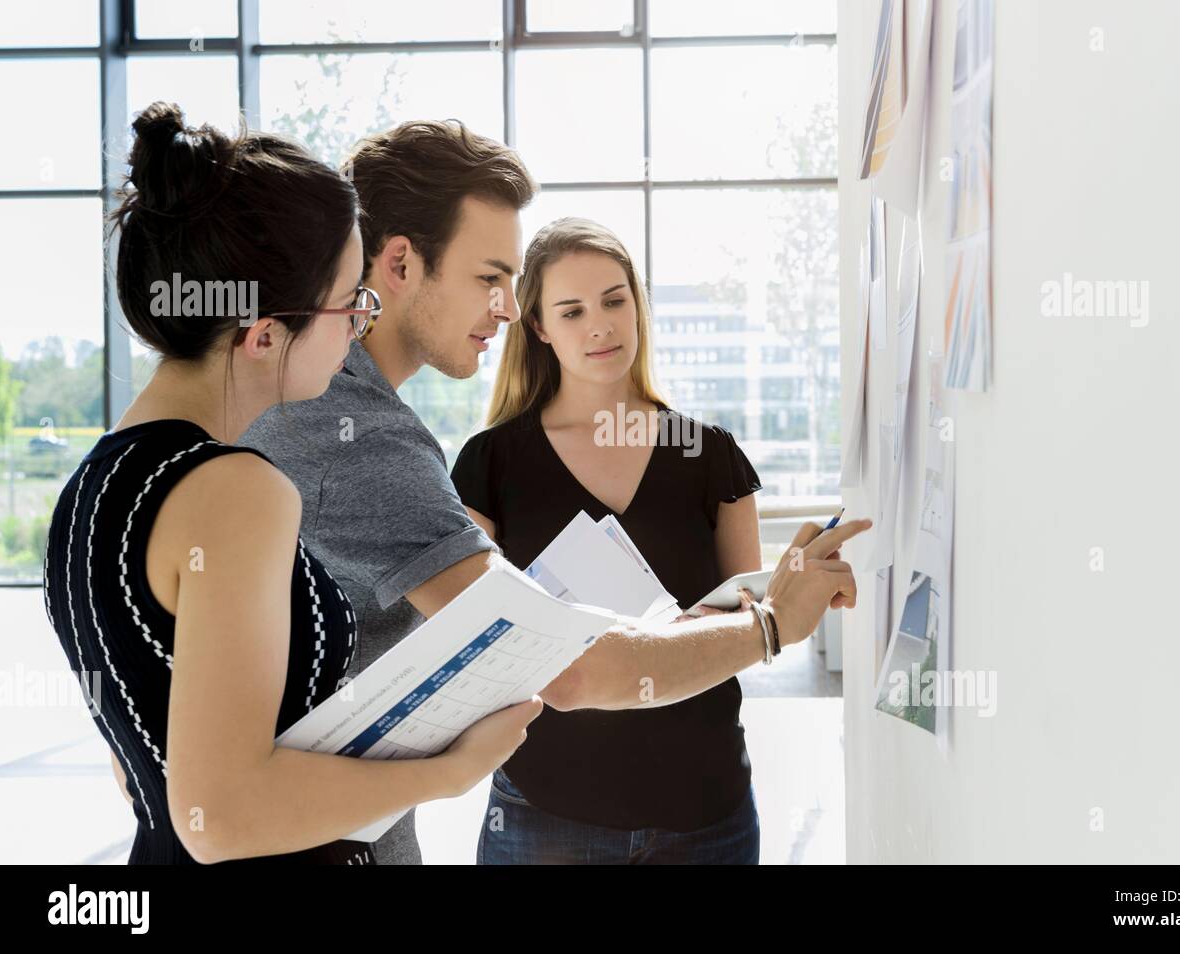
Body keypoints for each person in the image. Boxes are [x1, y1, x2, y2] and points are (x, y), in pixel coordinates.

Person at [241, 119, 870, 866]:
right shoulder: (371, 438)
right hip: (431, 826)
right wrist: (772, 626)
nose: (504, 309)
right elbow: (564, 670)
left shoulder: (300, 407)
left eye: (613, 300)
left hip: (689, 801)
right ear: (402, 263)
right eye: (490, 278)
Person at [42, 103, 540, 865]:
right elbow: (223, 819)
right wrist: (448, 773)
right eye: (349, 303)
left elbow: (141, 762)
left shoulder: (89, 487)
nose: (359, 325)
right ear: (264, 333)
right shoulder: (238, 491)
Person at [452, 217, 771, 863]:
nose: (599, 324)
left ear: (637, 306)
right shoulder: (491, 463)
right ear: (539, 327)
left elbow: (753, 626)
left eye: (614, 300)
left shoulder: (708, 453)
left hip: (706, 811)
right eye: (571, 311)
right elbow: (472, 639)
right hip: (546, 813)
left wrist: (718, 624)